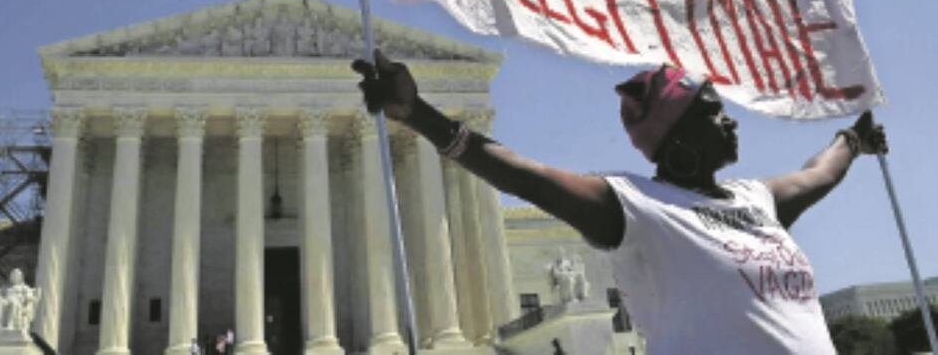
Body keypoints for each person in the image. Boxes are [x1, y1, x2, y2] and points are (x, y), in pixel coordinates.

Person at [351, 51, 888, 355]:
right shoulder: (635, 205)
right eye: (711, 111)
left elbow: (818, 174)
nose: (729, 120)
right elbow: (526, 178)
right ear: (674, 135)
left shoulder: (757, 201)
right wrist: (418, 113)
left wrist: (853, 141)